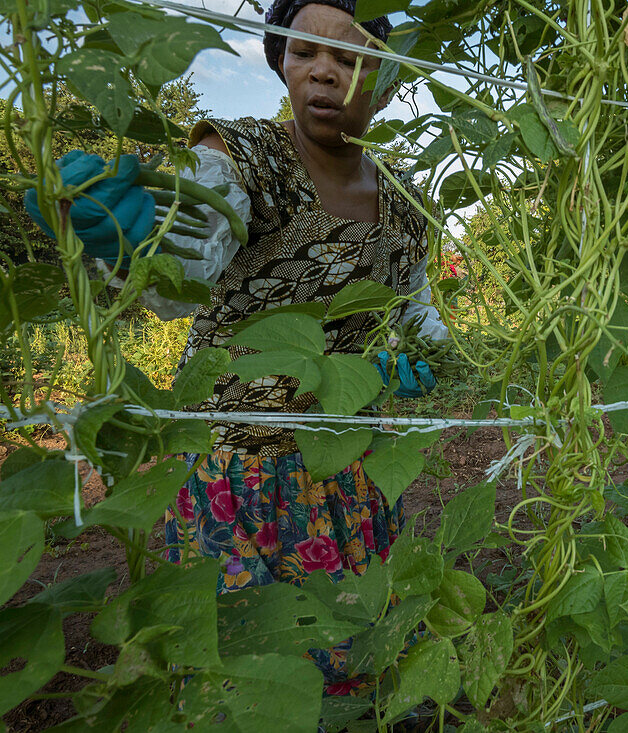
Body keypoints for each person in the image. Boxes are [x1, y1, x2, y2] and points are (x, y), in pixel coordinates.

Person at [27, 0, 447, 707]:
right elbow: (191, 252)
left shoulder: (404, 205)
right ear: (279, 62)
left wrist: (424, 361)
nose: (322, 71)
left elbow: (421, 317)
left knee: (363, 650)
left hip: (348, 466)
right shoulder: (245, 157)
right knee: (247, 672)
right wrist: (143, 239)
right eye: (302, 52)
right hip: (236, 474)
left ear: (387, 75)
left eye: (348, 58)